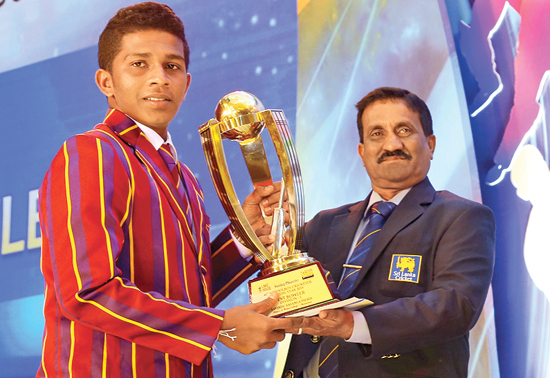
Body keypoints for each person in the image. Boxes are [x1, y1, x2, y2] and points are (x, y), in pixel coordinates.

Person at [37, 3, 296, 377]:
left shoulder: (185, 178)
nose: (159, 78)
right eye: (139, 64)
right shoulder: (91, 152)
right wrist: (220, 326)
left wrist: (245, 237)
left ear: (187, 83)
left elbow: (188, 294)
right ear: (106, 82)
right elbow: (86, 292)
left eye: (171, 66)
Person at [282, 87, 496, 378]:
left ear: (430, 144)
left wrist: (351, 324)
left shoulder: (461, 216)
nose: (391, 144)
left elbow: (455, 305)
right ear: (362, 152)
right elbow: (276, 276)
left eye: (404, 130)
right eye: (377, 134)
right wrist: (261, 229)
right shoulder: (324, 224)